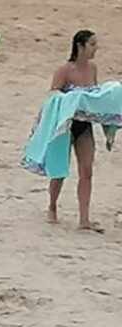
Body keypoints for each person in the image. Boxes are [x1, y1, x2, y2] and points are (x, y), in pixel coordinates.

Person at [46, 30, 104, 232]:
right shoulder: (65, 70)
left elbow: (96, 95)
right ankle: (52, 206)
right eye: (92, 44)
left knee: (86, 171)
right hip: (65, 125)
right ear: (80, 46)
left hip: (84, 125)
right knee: (60, 170)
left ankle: (84, 218)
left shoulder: (93, 69)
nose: (96, 48)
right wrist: (71, 97)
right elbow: (53, 96)